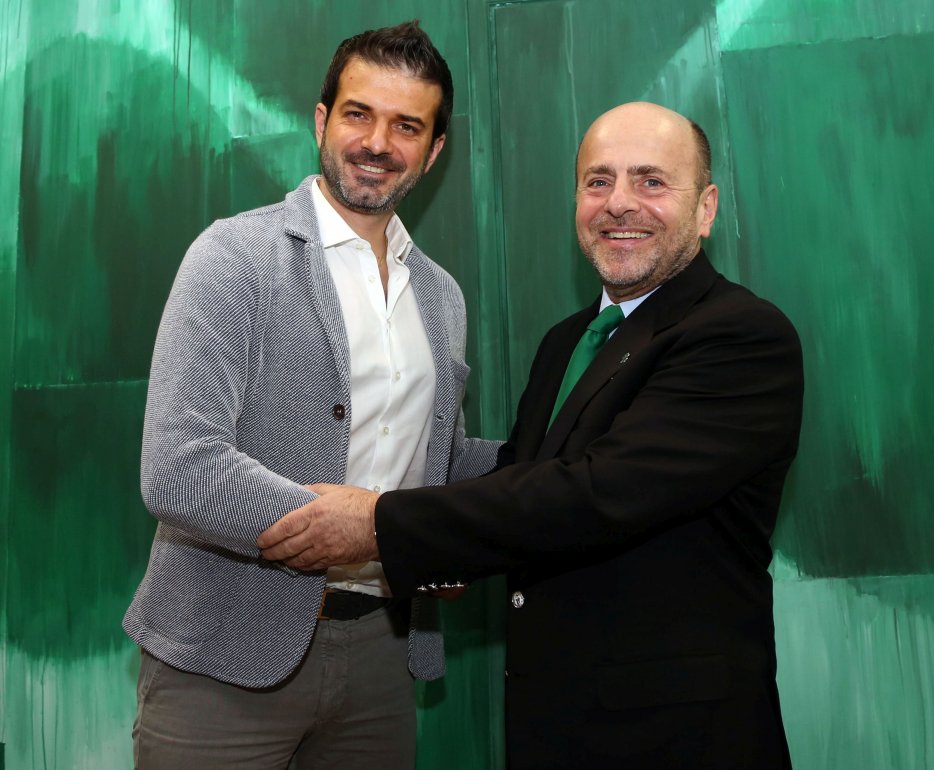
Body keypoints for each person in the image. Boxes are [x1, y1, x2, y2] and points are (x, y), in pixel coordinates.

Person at [259, 102, 805, 769]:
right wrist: (446, 551)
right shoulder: (566, 343)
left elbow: (597, 493)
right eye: (598, 181)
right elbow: (525, 475)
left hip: (679, 738)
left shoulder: (741, 335)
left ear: (706, 208)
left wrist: (379, 523)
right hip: (558, 728)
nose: (619, 203)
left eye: (652, 181)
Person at [123, 20, 497, 769]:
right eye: (359, 114)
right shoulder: (233, 255)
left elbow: (437, 461)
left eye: (407, 126)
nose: (377, 143)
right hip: (222, 653)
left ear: (434, 150)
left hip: (383, 660)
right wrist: (376, 530)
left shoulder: (442, 296)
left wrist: (558, 459)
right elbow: (181, 468)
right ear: (322, 120)